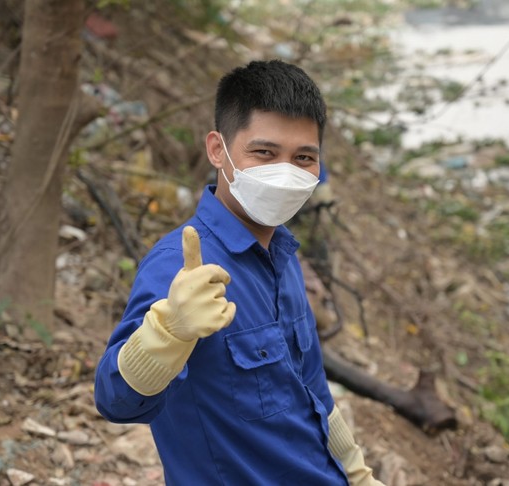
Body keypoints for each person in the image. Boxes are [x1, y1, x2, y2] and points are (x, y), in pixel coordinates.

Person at [94, 60, 384, 486]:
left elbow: (313, 392)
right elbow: (114, 400)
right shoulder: (182, 266)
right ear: (217, 149)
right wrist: (168, 332)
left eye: (304, 157)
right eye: (264, 153)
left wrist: (358, 476)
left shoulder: (283, 254)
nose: (285, 173)